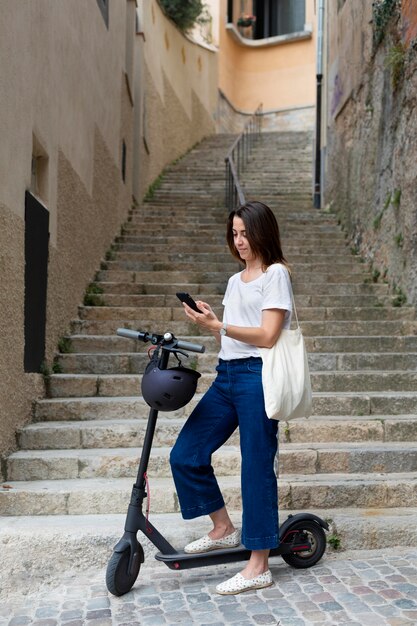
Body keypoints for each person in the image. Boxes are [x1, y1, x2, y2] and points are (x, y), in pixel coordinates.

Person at [169, 200, 293, 595]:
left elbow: (268, 335)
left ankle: (258, 565)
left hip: (258, 377)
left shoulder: (276, 275)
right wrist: (211, 323)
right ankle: (222, 527)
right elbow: (231, 336)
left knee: (256, 466)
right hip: (227, 376)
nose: (240, 241)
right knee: (186, 453)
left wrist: (221, 323)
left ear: (262, 232)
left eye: (245, 233)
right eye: (235, 234)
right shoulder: (234, 280)